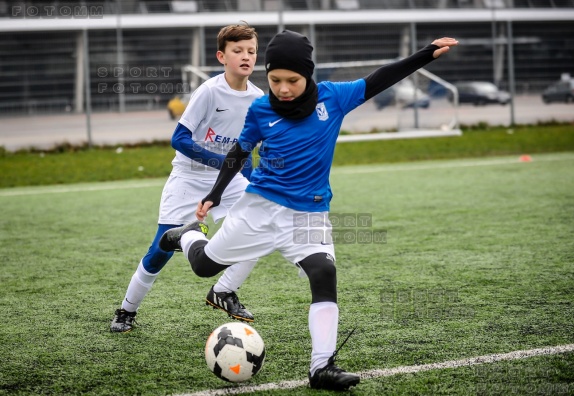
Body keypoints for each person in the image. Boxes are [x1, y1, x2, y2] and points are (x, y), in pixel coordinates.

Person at [159, 30, 458, 390]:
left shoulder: (334, 98)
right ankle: (186, 235)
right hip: (260, 210)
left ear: (308, 75)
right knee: (204, 266)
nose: (283, 89)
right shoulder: (260, 109)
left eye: (292, 80)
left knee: (323, 273)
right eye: (274, 80)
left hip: (309, 214)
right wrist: (214, 195)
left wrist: (426, 54)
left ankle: (322, 368)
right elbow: (238, 153)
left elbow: (381, 78)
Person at [110, 23, 264, 333]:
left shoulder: (259, 98)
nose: (246, 56)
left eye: (252, 51)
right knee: (160, 252)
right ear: (222, 56)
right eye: (238, 51)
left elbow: (247, 149)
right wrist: (224, 162)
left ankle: (223, 291)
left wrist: (250, 175)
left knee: (261, 225)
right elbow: (179, 139)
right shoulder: (209, 91)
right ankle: (126, 311)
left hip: (230, 181)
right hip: (189, 179)